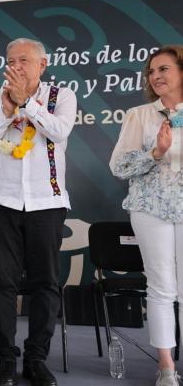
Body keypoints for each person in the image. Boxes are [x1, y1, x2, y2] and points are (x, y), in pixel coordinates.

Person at [0, 38, 76, 386]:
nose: (15, 65)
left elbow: (59, 131)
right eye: (10, 60)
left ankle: (36, 358)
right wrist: (6, 112)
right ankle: (5, 358)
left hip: (46, 203)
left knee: (45, 283)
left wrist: (27, 104)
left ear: (42, 65)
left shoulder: (60, 96)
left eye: (23, 60)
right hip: (0, 202)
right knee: (2, 282)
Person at [110, 45, 183, 386]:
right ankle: (166, 367)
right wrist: (156, 152)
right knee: (161, 288)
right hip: (149, 209)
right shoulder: (139, 115)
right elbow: (118, 166)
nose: (155, 76)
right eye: (152, 71)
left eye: (164, 69)